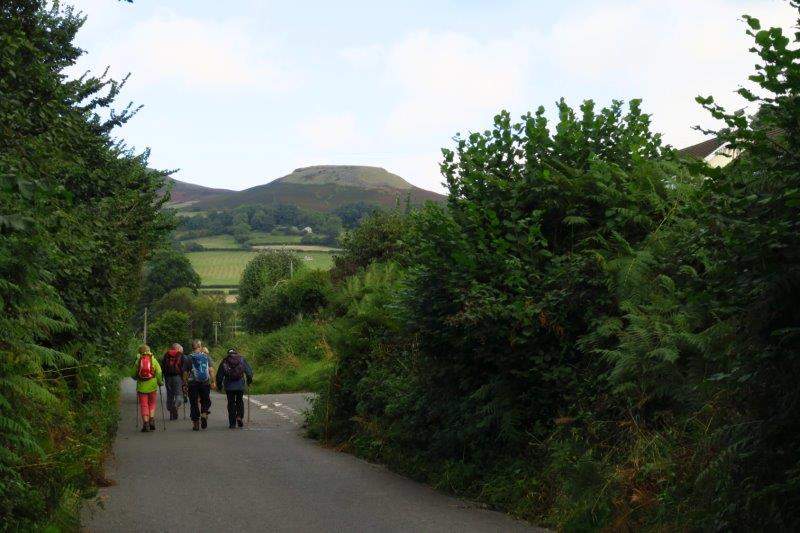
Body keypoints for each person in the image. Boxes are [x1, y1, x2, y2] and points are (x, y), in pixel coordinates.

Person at [215, 348, 253, 429]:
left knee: (231, 403)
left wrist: (219, 386)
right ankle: (239, 417)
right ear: (236, 353)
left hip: (229, 386)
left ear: (228, 354)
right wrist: (249, 381)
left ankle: (232, 423)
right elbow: (249, 372)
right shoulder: (242, 359)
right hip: (240, 385)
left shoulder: (224, 361)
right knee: (239, 401)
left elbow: (219, 375)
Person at [183, 339, 215, 431]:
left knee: (194, 403)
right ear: (200, 347)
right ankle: (204, 414)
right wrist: (213, 381)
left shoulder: (188, 358)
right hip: (205, 383)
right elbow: (211, 370)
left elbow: (185, 372)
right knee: (206, 400)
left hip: (192, 383)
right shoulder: (206, 357)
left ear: (192, 348)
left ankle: (196, 424)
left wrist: (184, 384)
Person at [132, 344, 164, 433]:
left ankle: (145, 423)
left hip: (142, 386)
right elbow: (159, 372)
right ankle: (152, 420)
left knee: (144, 405)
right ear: (149, 351)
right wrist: (160, 382)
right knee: (152, 403)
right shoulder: (153, 360)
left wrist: (137, 378)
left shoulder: (138, 361)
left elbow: (133, 374)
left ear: (140, 352)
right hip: (152, 386)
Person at [161, 343, 185, 420]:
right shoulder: (180, 355)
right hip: (177, 377)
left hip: (167, 377)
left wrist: (162, 377)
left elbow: (163, 367)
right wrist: (184, 379)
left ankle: (171, 410)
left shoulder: (166, 355)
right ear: (177, 348)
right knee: (179, 395)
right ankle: (175, 406)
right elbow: (183, 368)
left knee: (170, 395)